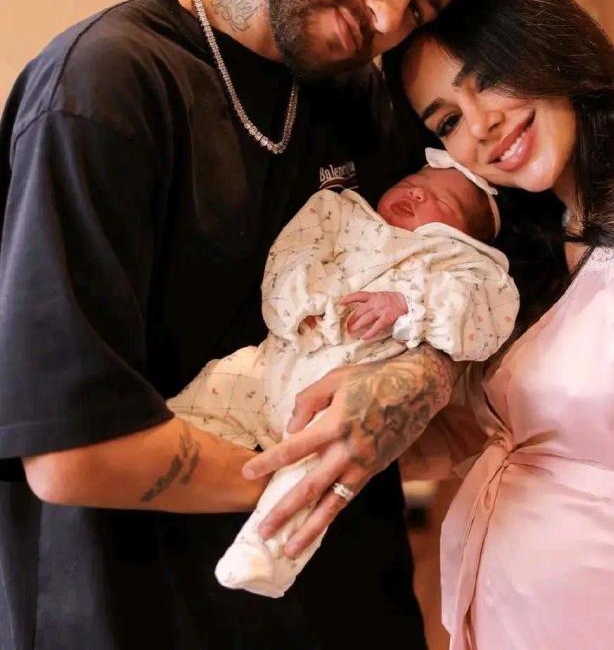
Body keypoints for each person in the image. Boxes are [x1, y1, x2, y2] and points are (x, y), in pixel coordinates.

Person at [0, 0, 506, 649]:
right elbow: (70, 452)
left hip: (350, 609)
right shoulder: (104, 90)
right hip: (142, 612)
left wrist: (419, 371)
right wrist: (325, 467)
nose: (386, 15)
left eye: (419, 9)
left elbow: (456, 281)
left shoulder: (363, 101)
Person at [370, 0, 614, 649]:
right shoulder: (537, 243)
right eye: (448, 119)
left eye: (490, 77)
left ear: (554, 48)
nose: (482, 125)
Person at [169, 157, 519, 599]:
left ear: (464, 237)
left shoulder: (463, 266)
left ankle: (266, 554)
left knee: (313, 475)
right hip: (278, 360)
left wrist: (408, 305)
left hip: (342, 396)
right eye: (413, 180)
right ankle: (157, 455)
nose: (417, 192)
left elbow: (484, 322)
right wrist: (302, 305)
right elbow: (292, 252)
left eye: (442, 201)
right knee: (218, 386)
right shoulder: (341, 212)